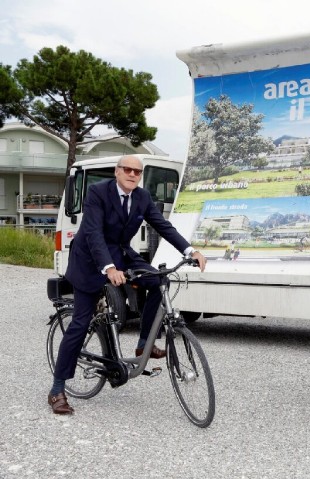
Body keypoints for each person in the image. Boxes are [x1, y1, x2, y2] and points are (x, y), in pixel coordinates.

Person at [48, 155, 207, 415]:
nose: (133, 174)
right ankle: (57, 389)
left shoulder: (142, 197)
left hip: (121, 254)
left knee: (158, 281)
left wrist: (190, 251)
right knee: (80, 323)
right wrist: (108, 267)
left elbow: (163, 226)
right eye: (128, 169)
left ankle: (144, 343)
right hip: (89, 259)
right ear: (117, 171)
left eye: (137, 171)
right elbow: (93, 233)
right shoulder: (98, 193)